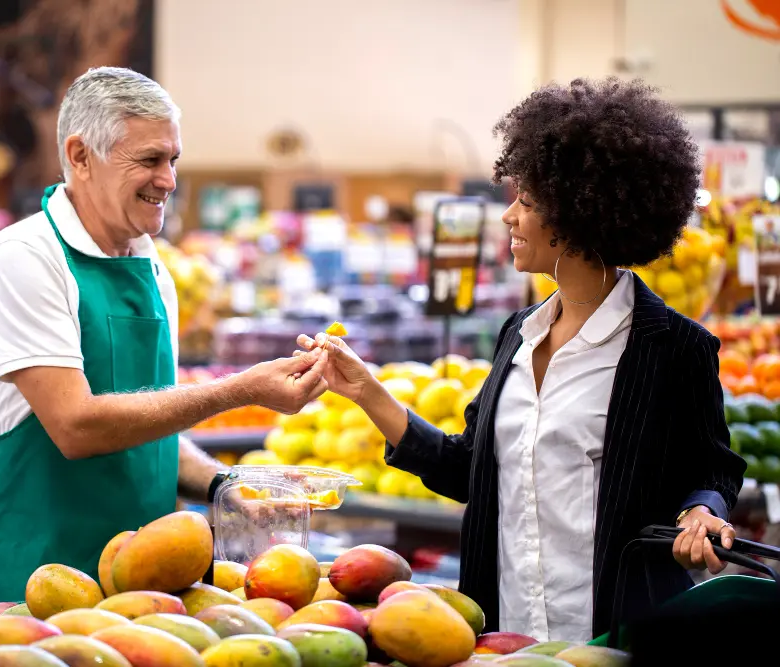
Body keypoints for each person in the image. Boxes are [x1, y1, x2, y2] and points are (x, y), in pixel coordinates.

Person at [298, 78, 747, 643]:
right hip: (506, 637)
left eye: (527, 203)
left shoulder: (673, 346)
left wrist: (702, 511)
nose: (508, 216)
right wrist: (366, 391)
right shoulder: (519, 335)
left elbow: (714, 468)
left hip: (614, 637)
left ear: (581, 218)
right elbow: (470, 472)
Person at [0, 67, 328, 613]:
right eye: (149, 160)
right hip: (26, 590)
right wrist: (239, 390)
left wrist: (229, 488)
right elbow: (76, 426)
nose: (169, 180)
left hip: (140, 597)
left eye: (172, 160)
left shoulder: (151, 269)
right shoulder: (27, 257)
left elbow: (148, 428)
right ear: (80, 157)